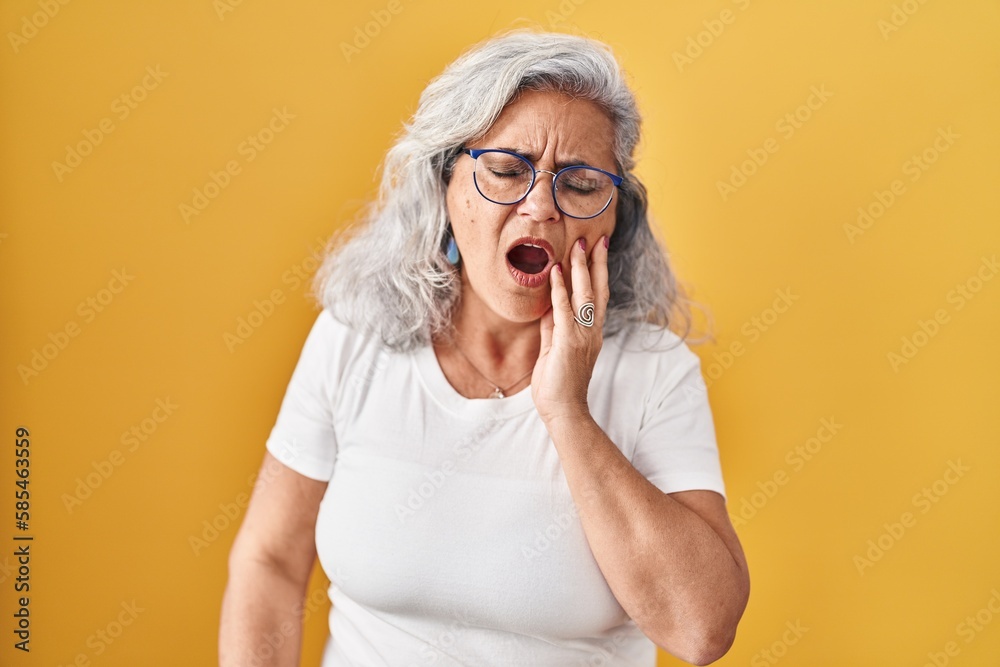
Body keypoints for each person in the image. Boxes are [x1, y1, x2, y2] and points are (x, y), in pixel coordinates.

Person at [219, 28, 749, 667]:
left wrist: (567, 412)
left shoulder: (654, 374)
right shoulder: (352, 340)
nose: (540, 210)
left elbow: (701, 630)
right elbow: (270, 560)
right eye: (505, 171)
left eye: (579, 186)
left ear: (615, 219)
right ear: (445, 186)